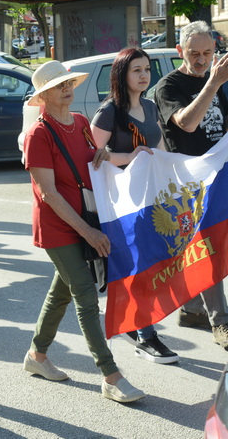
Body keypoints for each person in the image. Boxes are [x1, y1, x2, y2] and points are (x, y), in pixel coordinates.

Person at [22, 60, 145, 404]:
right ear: (44, 95)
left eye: (68, 83)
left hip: (86, 220)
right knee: (86, 297)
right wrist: (89, 233)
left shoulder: (78, 122)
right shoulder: (38, 134)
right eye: (58, 86)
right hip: (59, 227)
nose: (67, 89)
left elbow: (94, 159)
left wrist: (130, 156)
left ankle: (36, 356)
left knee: (60, 294)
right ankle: (110, 375)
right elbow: (49, 194)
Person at [153, 21, 228, 352]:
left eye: (208, 53)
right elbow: (187, 123)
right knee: (208, 248)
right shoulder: (168, 86)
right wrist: (214, 81)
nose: (201, 60)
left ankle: (192, 309)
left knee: (202, 247)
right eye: (194, 53)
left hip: (215, 176)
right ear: (180, 51)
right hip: (185, 183)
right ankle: (221, 321)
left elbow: (218, 123)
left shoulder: (212, 81)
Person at [90, 48, 178, 364]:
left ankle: (135, 325)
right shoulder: (109, 111)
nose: (143, 76)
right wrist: (129, 157)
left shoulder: (151, 106)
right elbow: (91, 156)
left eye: (147, 69)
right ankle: (146, 335)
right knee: (140, 266)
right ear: (121, 74)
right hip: (122, 204)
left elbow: (160, 150)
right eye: (136, 70)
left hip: (151, 199)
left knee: (152, 264)